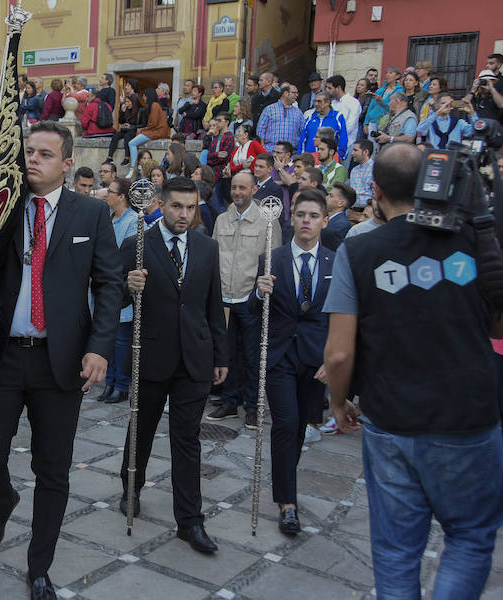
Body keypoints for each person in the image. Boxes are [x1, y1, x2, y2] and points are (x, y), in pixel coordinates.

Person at [323, 143, 503, 599]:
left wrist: (338, 401)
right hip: (469, 416)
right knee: (469, 536)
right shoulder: (472, 236)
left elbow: (339, 355)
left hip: (391, 418)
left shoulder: (359, 250)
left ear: (376, 190)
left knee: (396, 550)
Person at [0, 122, 121, 600]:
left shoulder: (91, 215)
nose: (33, 159)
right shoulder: (3, 208)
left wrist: (99, 347)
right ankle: (4, 500)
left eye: (45, 154)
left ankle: (39, 567)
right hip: (4, 358)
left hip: (62, 363)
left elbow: (109, 284)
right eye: (29, 152)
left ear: (66, 162)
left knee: (52, 469)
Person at [119, 176, 227, 553]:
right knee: (142, 428)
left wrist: (220, 355)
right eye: (177, 206)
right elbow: (113, 296)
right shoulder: (137, 246)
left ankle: (190, 520)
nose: (184, 214)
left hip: (194, 357)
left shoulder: (206, 247)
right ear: (161, 205)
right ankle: (131, 488)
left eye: (191, 207)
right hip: (151, 353)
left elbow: (213, 304)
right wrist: (127, 284)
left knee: (187, 439)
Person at [250, 187, 332, 535]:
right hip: (280, 355)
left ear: (324, 221)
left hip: (316, 360)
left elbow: (340, 315)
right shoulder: (273, 259)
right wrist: (258, 291)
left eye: (313, 216)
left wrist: (335, 360)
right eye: (300, 214)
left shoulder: (335, 262)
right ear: (291, 218)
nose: (306, 221)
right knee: (286, 423)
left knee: (300, 427)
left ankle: (288, 483)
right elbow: (256, 312)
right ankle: (287, 502)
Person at [208, 172, 280, 427]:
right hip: (224, 298)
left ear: (253, 190)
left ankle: (252, 406)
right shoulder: (222, 219)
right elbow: (213, 255)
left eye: (243, 188)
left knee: (252, 356)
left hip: (250, 299)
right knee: (225, 354)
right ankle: (229, 402)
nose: (237, 192)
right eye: (235, 188)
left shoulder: (266, 222)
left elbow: (273, 261)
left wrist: (260, 293)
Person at [97, 177, 137, 404]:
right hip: (104, 282)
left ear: (122, 196)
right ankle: (109, 381)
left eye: (110, 192)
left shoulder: (133, 220)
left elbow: (127, 253)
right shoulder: (108, 218)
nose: (106, 195)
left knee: (121, 340)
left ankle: (121, 385)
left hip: (120, 283)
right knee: (109, 339)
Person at [127, 89, 169, 179]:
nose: (143, 98)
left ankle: (132, 167)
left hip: (157, 132)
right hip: (158, 131)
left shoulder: (154, 105)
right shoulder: (156, 105)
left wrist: (143, 130)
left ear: (148, 96)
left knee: (132, 143)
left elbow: (153, 123)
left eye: (145, 96)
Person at [299, 92, 348, 160]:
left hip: (329, 160)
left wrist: (338, 157)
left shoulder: (338, 117)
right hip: (310, 160)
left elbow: (343, 139)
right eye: (315, 101)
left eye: (319, 101)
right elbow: (303, 140)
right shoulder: (310, 118)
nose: (316, 104)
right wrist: (301, 157)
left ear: (327, 102)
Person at [257, 83, 304, 152]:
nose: (296, 95)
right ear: (285, 93)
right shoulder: (269, 109)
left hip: (291, 153)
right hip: (271, 151)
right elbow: (260, 131)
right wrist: (262, 148)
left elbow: (302, 132)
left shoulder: (298, 113)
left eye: (297, 93)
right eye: (294, 93)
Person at [325, 76, 361, 160]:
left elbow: (350, 126)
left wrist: (334, 134)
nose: (327, 90)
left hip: (346, 146)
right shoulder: (332, 104)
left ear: (338, 88)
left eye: (330, 88)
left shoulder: (353, 103)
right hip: (330, 145)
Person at [363, 66, 402, 137]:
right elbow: (371, 107)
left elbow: (394, 109)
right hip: (373, 121)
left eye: (390, 73)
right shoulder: (380, 90)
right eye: (387, 73)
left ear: (397, 76)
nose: (387, 75)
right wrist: (366, 122)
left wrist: (382, 101)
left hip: (386, 123)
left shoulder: (399, 91)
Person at [106, 92, 141, 165]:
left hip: (133, 130)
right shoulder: (126, 109)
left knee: (127, 137)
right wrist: (122, 112)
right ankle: (110, 157)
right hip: (125, 129)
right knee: (115, 136)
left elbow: (143, 124)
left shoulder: (140, 110)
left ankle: (127, 158)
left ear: (133, 102)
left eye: (128, 102)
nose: (126, 103)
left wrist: (131, 126)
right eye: (126, 101)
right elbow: (120, 121)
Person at [348, 139, 374, 208]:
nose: (352, 153)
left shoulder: (376, 169)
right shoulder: (354, 170)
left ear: (366, 152)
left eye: (355, 150)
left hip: (367, 210)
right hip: (352, 209)